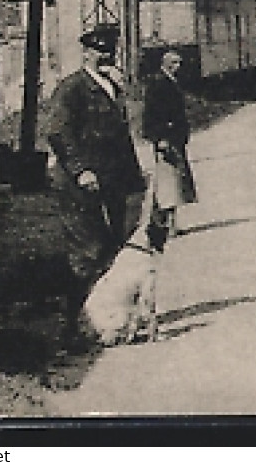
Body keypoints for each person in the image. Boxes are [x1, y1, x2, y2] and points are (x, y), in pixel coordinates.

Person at [44, 23, 146, 349]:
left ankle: (107, 318)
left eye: (109, 51)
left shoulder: (112, 87)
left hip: (112, 181)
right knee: (87, 251)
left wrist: (133, 177)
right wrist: (80, 170)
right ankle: (72, 325)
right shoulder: (71, 88)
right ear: (85, 52)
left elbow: (122, 136)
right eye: (99, 51)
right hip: (79, 184)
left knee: (114, 250)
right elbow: (58, 132)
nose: (105, 56)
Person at [142, 49, 197, 243]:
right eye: (174, 63)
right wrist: (159, 138)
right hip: (166, 140)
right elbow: (152, 115)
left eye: (179, 63)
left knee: (175, 180)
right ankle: (168, 226)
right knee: (169, 182)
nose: (178, 67)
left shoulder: (171, 82)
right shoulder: (158, 84)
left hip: (175, 138)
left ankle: (168, 223)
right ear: (165, 64)